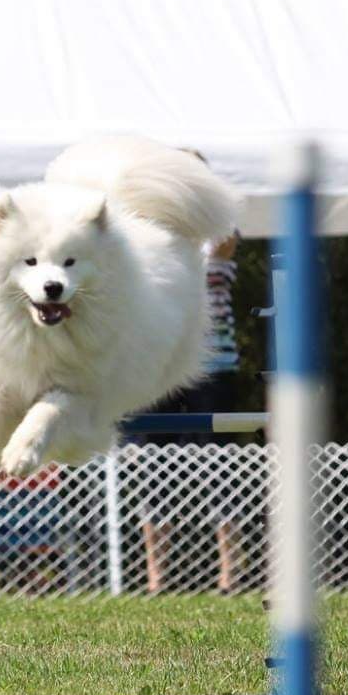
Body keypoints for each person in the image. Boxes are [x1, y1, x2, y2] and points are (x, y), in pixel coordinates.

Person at [140, 230, 247, 593]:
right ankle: (158, 578)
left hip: (214, 367)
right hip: (162, 368)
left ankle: (230, 573)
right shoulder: (149, 242)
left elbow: (225, 237)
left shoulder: (217, 237)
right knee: (156, 471)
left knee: (220, 469)